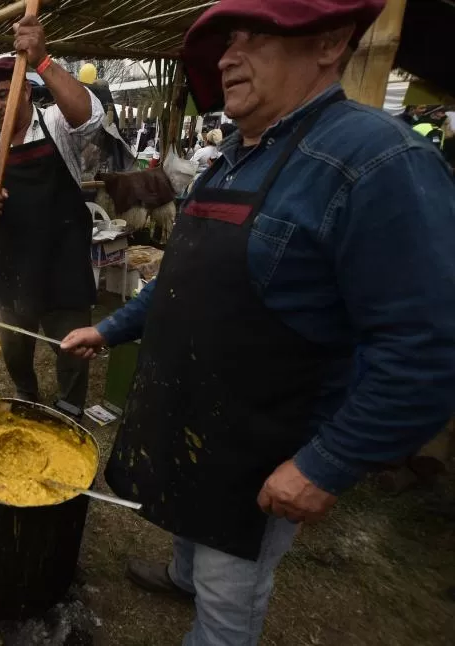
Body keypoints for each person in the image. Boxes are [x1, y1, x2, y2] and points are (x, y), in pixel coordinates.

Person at [60, 1, 455, 644]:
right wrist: (111, 328)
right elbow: (185, 280)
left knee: (228, 609)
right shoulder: (235, 158)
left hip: (262, 442)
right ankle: (184, 575)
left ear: (329, 43)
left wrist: (325, 464)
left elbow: (429, 348)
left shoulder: (375, 161)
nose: (226, 58)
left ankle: (209, 608)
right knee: (191, 514)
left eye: (253, 37)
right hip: (196, 416)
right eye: (226, 41)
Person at [0, 16, 104, 410]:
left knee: (72, 349)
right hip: (10, 269)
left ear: (26, 92)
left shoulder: (56, 122)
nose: (0, 104)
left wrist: (42, 60)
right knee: (15, 348)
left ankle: (70, 410)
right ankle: (26, 394)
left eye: (7, 92)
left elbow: (91, 118)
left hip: (63, 264)